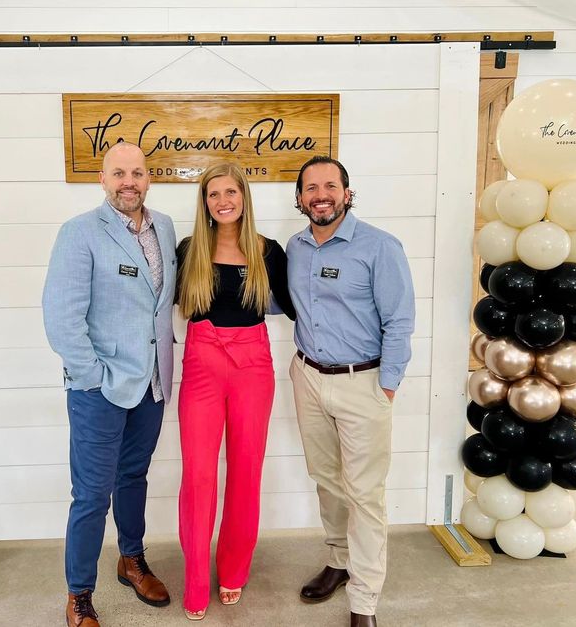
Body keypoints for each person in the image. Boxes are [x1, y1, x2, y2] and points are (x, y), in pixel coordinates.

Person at [43, 142, 177, 627]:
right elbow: (62, 318)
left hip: (153, 384)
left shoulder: (164, 226)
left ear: (148, 179)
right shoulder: (79, 234)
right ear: (102, 180)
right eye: (119, 173)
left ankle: (131, 559)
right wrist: (92, 378)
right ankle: (79, 594)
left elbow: (159, 305)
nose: (129, 182)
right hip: (99, 389)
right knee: (92, 495)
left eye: (137, 173)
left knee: (133, 478)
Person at [286, 156, 415, 627]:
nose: (321, 195)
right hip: (308, 376)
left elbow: (399, 320)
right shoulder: (295, 247)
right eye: (311, 187)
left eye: (331, 186)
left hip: (365, 381)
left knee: (365, 495)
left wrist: (388, 385)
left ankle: (365, 600)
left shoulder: (380, 247)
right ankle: (339, 561)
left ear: (347, 192)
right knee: (326, 479)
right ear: (300, 198)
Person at [176, 162, 296, 621]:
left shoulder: (269, 251)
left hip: (252, 368)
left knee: (246, 471)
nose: (223, 201)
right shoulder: (189, 249)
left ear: (245, 197)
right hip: (202, 367)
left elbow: (297, 304)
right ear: (204, 202)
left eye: (231, 192)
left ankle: (233, 570)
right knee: (199, 476)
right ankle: (194, 581)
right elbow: (151, 300)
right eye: (213, 194)